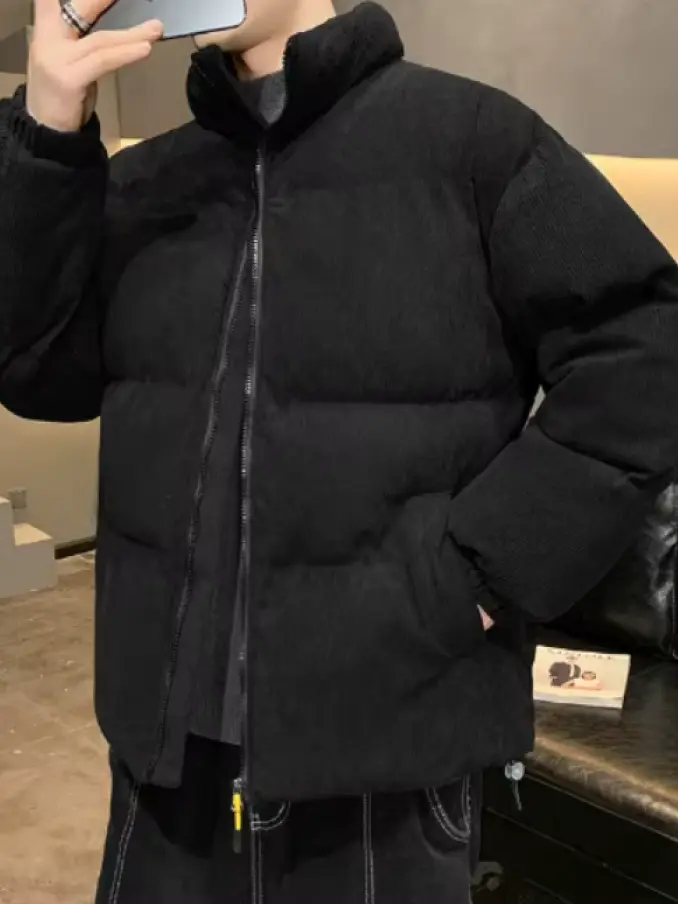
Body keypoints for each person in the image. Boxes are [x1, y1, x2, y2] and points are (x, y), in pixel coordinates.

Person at [1, 0, 678, 901]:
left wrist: (484, 574)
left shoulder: (474, 143)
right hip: (168, 762)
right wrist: (48, 131)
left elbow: (646, 351)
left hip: (382, 763)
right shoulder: (149, 181)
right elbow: (37, 373)